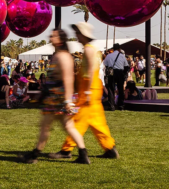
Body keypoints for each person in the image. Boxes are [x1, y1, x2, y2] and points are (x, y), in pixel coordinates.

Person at [19, 29, 90, 165]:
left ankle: (34, 155)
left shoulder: (63, 56)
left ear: (60, 39)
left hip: (57, 97)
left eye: (54, 35)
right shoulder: (58, 55)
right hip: (56, 96)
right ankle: (83, 154)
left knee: (45, 126)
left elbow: (68, 79)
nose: (50, 37)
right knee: (68, 126)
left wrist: (68, 101)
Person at [50, 23, 117, 161]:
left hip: (88, 89)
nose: (76, 36)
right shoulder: (92, 49)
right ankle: (110, 148)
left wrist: (86, 92)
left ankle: (67, 149)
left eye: (78, 33)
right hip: (93, 90)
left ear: (83, 35)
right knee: (97, 122)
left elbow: (91, 71)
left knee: (77, 121)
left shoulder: (88, 49)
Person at [103, 44, 128, 111]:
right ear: (119, 49)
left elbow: (105, 64)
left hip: (111, 72)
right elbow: (126, 66)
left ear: (113, 49)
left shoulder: (109, 55)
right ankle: (121, 105)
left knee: (111, 89)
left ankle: (111, 106)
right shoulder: (122, 56)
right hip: (120, 72)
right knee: (120, 89)